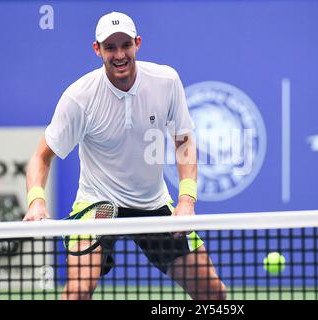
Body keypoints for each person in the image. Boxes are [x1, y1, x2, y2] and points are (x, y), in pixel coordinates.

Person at [23, 11, 226, 300]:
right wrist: (36, 202)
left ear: (137, 44)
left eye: (125, 45)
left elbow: (184, 141)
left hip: (153, 204)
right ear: (97, 50)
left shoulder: (166, 81)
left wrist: (185, 201)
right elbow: (41, 157)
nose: (119, 54)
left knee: (214, 295)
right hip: (97, 205)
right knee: (77, 292)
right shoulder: (79, 97)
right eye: (110, 47)